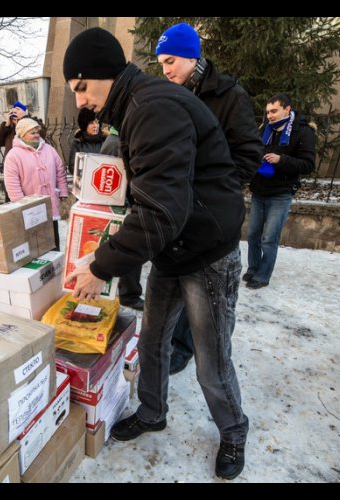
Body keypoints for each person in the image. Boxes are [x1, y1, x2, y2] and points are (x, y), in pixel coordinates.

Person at [62, 27, 249, 480]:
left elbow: (162, 210)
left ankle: (233, 431)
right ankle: (151, 412)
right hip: (173, 248)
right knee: (152, 340)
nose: (81, 101)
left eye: (82, 87)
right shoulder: (135, 107)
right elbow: (149, 194)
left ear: (105, 72)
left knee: (211, 358)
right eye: (75, 92)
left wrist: (103, 265)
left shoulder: (153, 107)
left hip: (206, 252)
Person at [155, 22, 264, 374]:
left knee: (203, 284)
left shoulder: (229, 95)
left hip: (211, 214)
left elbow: (248, 154)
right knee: (176, 279)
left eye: (170, 60)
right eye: (161, 64)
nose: (166, 69)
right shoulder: (170, 93)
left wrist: (218, 192)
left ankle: (185, 347)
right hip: (177, 207)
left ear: (191, 56)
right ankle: (171, 343)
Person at [245, 93, 316, 289]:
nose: (270, 116)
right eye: (268, 112)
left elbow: (308, 164)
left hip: (281, 192)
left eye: (274, 111)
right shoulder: (265, 130)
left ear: (287, 109)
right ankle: (253, 268)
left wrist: (281, 160)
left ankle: (263, 275)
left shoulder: (303, 132)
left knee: (269, 238)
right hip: (259, 190)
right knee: (252, 235)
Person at [3, 118, 69, 252]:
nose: (37, 135)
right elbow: (12, 183)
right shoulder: (13, 155)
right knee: (35, 244)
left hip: (50, 204)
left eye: (37, 132)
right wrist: (21, 204)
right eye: (32, 132)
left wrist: (62, 192)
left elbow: (60, 172)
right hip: (30, 209)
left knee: (53, 240)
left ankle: (54, 266)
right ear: (22, 134)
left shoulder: (49, 150)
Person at [100, 125, 145, 312]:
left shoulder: (115, 140)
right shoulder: (114, 143)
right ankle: (129, 294)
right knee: (129, 249)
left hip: (125, 204)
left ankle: (128, 292)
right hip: (123, 205)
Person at [0, 101, 47, 202]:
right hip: (13, 171)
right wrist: (6, 125)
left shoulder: (35, 122)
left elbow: (41, 134)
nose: (15, 115)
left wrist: (25, 119)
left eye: (18, 111)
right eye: (13, 112)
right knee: (14, 202)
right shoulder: (10, 129)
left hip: (30, 173)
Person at [68, 107, 104, 174]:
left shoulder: (105, 141)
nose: (95, 126)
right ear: (84, 125)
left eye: (97, 122)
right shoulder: (77, 143)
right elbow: (73, 168)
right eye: (91, 123)